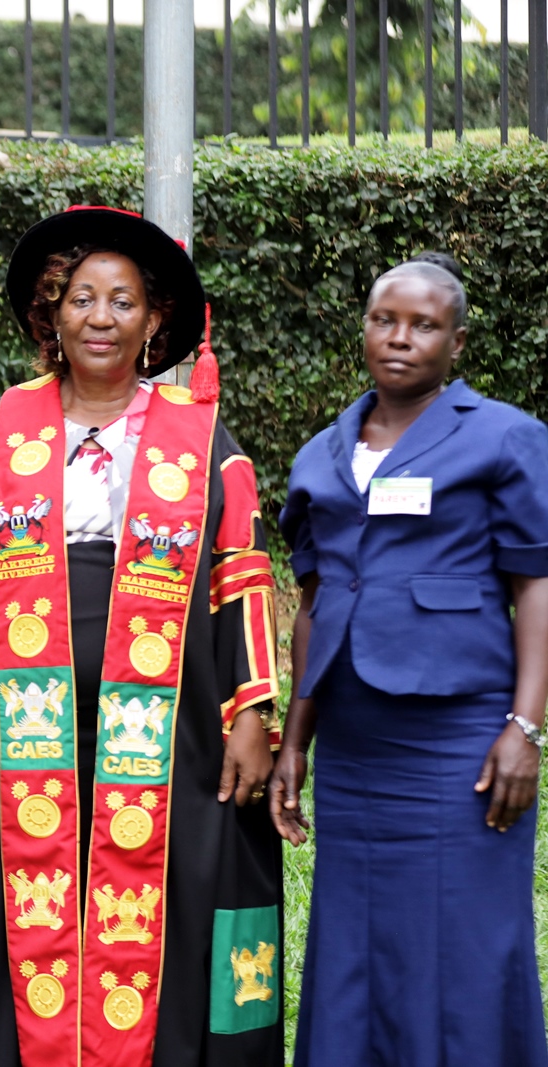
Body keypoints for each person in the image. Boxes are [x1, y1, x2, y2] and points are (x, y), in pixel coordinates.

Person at [0, 207, 286, 1066]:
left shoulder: (198, 436)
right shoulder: (2, 427)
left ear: (155, 318)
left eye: (122, 301)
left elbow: (239, 570)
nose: (101, 317)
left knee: (160, 883)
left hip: (171, 716)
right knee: (34, 876)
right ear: (51, 314)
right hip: (25, 716)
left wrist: (252, 711)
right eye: (81, 298)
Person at [275, 256, 548, 1066]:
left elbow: (535, 583)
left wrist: (525, 725)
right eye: (383, 319)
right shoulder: (322, 451)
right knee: (357, 941)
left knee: (465, 937)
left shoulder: (504, 434)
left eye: (423, 324)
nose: (399, 338)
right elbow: (316, 604)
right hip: (357, 747)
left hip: (457, 736)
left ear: (456, 341)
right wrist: (296, 739)